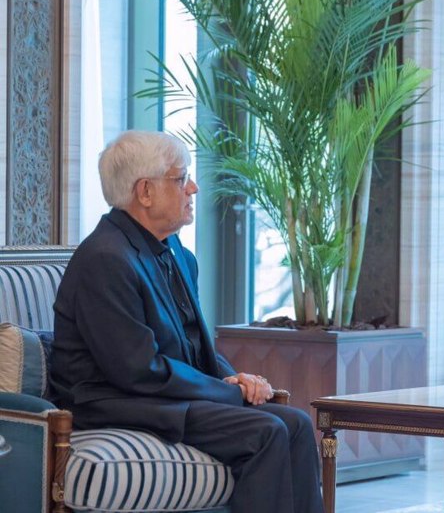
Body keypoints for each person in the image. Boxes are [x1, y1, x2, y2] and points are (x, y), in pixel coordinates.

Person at [49, 131, 323, 513]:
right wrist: (225, 392)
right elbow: (137, 371)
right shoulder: (106, 259)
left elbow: (193, 344)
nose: (193, 188)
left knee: (295, 424)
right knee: (266, 432)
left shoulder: (176, 251)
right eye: (181, 179)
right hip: (116, 401)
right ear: (145, 192)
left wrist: (233, 378)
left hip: (157, 395)